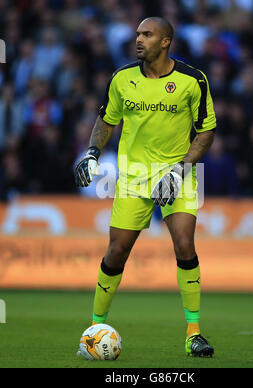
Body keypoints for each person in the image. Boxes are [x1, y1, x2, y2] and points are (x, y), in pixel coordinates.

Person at [74, 17, 216, 357]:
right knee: (116, 252)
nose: (139, 39)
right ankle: (94, 329)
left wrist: (180, 171)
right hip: (134, 176)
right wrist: (93, 151)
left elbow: (206, 131)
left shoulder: (193, 80)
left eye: (147, 34)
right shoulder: (123, 78)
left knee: (184, 243)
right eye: (138, 33)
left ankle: (194, 333)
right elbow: (107, 119)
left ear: (165, 41)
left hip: (177, 175)